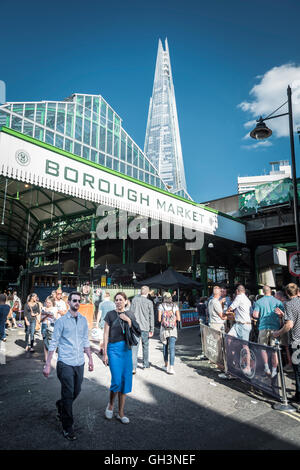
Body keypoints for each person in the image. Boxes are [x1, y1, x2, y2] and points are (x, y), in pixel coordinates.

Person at [43, 291, 94, 441]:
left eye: (79, 300)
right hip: (65, 363)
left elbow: (86, 341)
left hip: (80, 362)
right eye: (74, 300)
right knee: (68, 392)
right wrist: (47, 364)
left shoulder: (84, 320)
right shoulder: (61, 321)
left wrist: (90, 359)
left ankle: (61, 405)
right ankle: (68, 426)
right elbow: (54, 343)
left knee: (76, 391)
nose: (77, 303)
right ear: (69, 303)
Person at [102, 292, 136, 424]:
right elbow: (105, 334)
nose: (118, 302)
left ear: (126, 301)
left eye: (121, 300)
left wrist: (128, 320)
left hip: (126, 350)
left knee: (126, 380)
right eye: (116, 300)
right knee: (116, 380)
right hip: (113, 349)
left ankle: (121, 413)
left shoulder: (130, 314)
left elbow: (136, 330)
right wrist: (105, 353)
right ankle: (111, 404)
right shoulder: (110, 314)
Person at [273, 283, 300, 403]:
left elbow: (289, 324)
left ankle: (299, 397)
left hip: (296, 342)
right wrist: (284, 315)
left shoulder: (288, 304)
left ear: (287, 294)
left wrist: (278, 333)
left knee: (298, 371)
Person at [252, 285, 284, 378]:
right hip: (275, 328)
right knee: (274, 349)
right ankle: (274, 370)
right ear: (271, 291)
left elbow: (256, 315)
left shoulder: (259, 302)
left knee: (263, 348)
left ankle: (266, 368)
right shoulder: (278, 302)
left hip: (263, 327)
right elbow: (282, 315)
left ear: (263, 292)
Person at [131, 286, 154, 373]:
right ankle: (145, 364)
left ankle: (133, 367)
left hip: (135, 327)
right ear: (148, 293)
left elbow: (131, 313)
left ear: (140, 292)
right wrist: (152, 329)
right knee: (145, 346)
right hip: (145, 327)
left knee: (134, 347)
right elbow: (151, 316)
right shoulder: (149, 302)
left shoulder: (134, 300)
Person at [158, 292, 181, 374]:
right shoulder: (175, 306)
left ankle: (165, 365)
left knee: (165, 346)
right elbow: (178, 319)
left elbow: (159, 320)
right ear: (171, 298)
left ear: (164, 298)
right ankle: (171, 367)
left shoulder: (161, 306)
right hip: (173, 329)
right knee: (172, 348)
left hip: (164, 329)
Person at [274, 290, 293, 372]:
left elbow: (288, 319)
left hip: (287, 328)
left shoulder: (284, 304)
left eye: (275, 297)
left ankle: (290, 364)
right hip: (289, 328)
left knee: (287, 346)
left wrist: (281, 316)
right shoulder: (287, 303)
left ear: (279, 297)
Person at [40, 297, 59, 362]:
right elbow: (41, 318)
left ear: (52, 303)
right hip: (44, 325)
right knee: (45, 342)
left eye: (49, 303)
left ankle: (51, 355)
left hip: (51, 326)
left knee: (51, 342)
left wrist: (51, 317)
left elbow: (56, 319)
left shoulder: (54, 309)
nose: (47, 304)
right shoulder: (43, 308)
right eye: (46, 302)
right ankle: (46, 358)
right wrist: (43, 317)